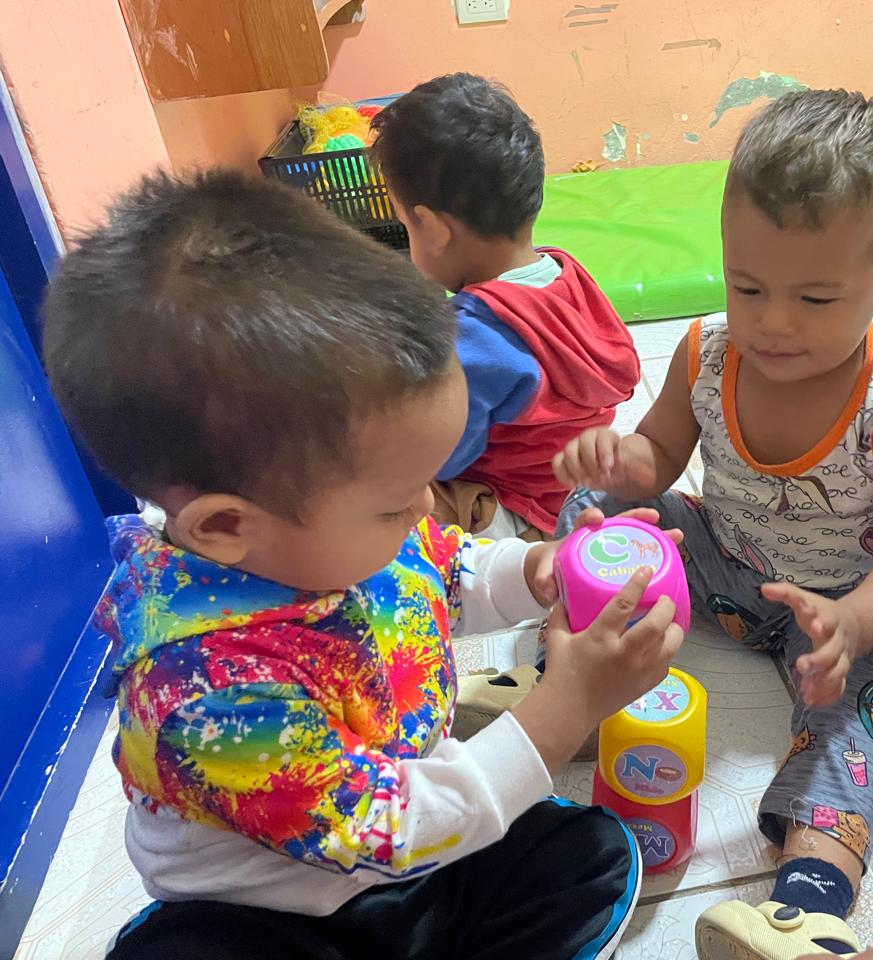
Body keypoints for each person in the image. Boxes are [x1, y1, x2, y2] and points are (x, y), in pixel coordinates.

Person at [41, 170, 684, 960]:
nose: (424, 510)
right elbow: (386, 830)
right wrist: (568, 703)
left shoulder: (326, 532)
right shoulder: (207, 695)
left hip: (414, 837)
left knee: (587, 857)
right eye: (395, 503)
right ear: (228, 525)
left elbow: (445, 570)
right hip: (278, 912)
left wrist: (537, 570)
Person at [556, 90, 873, 959]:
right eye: (748, 287)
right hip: (721, 561)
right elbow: (659, 456)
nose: (773, 322)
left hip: (839, 613)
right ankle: (576, 683)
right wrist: (619, 462)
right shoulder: (706, 353)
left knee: (862, 720)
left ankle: (806, 910)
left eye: (814, 297)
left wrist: (854, 622)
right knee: (592, 516)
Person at [370, 73, 641, 540]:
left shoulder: (474, 338)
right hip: (582, 494)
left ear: (432, 228)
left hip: (519, 512)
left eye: (406, 227)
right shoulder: (567, 273)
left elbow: (446, 457)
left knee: (380, 495)